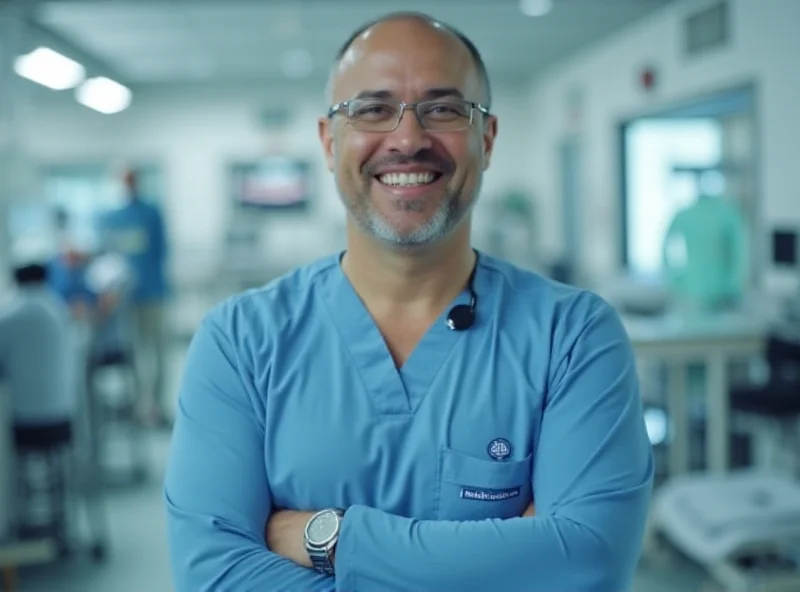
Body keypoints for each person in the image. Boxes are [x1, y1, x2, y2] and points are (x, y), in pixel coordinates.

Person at [165, 11, 654, 592]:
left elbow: (588, 563)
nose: (407, 138)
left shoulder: (571, 336)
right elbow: (215, 576)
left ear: (487, 139)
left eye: (443, 109)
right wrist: (512, 561)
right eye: (373, 110)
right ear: (329, 141)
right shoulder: (241, 341)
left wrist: (335, 537)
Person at [99, 170, 170, 427]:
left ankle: (158, 407)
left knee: (158, 353)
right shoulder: (113, 217)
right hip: (124, 300)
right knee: (135, 354)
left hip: (153, 294)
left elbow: (162, 251)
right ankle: (141, 407)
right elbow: (109, 257)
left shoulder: (151, 213)